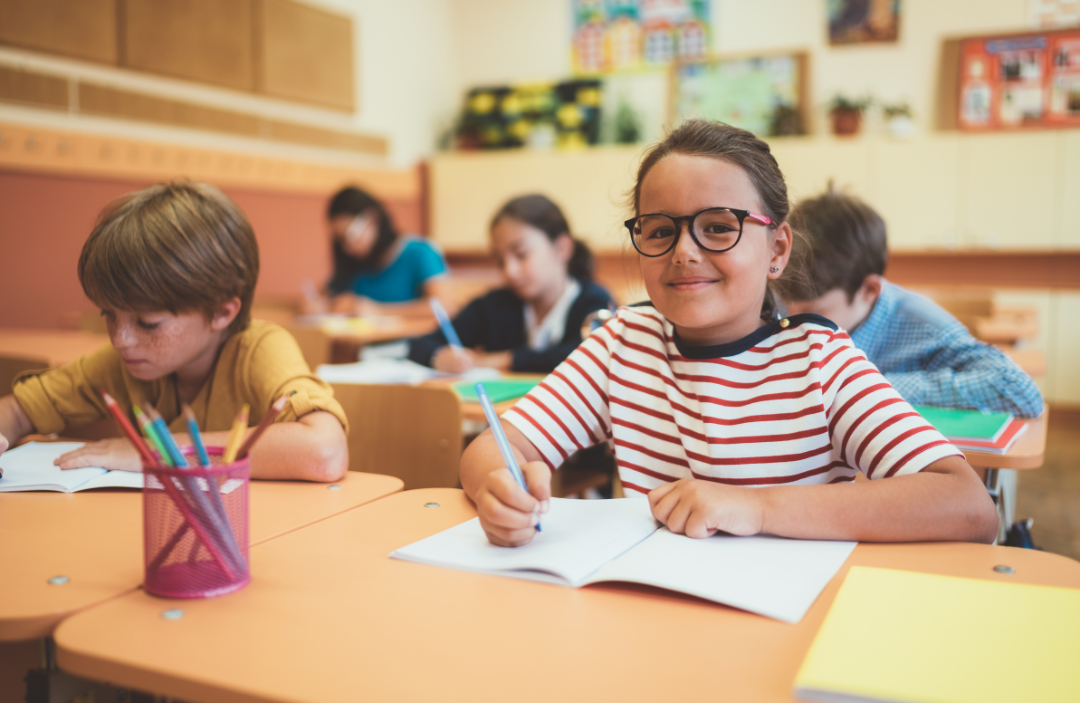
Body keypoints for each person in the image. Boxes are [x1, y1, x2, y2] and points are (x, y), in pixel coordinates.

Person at [459, 119, 998, 547]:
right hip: (654, 607)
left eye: (719, 227)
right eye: (660, 230)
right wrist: (498, 489)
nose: (684, 251)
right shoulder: (623, 343)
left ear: (777, 250)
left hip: (786, 618)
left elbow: (968, 505)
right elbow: (498, 444)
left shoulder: (818, 359)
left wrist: (757, 507)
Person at [0, 181, 349, 482]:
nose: (121, 339)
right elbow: (18, 410)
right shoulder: (122, 362)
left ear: (222, 312)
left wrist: (155, 451)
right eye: (109, 315)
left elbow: (325, 451)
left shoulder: (259, 350)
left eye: (148, 322)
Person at [778, 189, 1044, 418]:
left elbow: (1018, 390)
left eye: (812, 312)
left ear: (869, 289)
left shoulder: (924, 326)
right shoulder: (782, 295)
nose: (792, 323)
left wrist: (860, 384)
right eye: (788, 307)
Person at [407, 194, 613, 374]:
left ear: (562, 248)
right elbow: (420, 344)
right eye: (500, 261)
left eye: (521, 255)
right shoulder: (494, 304)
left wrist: (498, 360)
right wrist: (438, 356)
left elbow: (589, 355)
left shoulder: (595, 301)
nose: (509, 271)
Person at [303, 186, 450, 317]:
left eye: (349, 235)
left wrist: (378, 310)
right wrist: (318, 306)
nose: (346, 247)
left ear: (372, 219)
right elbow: (322, 295)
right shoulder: (352, 263)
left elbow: (443, 307)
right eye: (339, 241)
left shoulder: (421, 253)